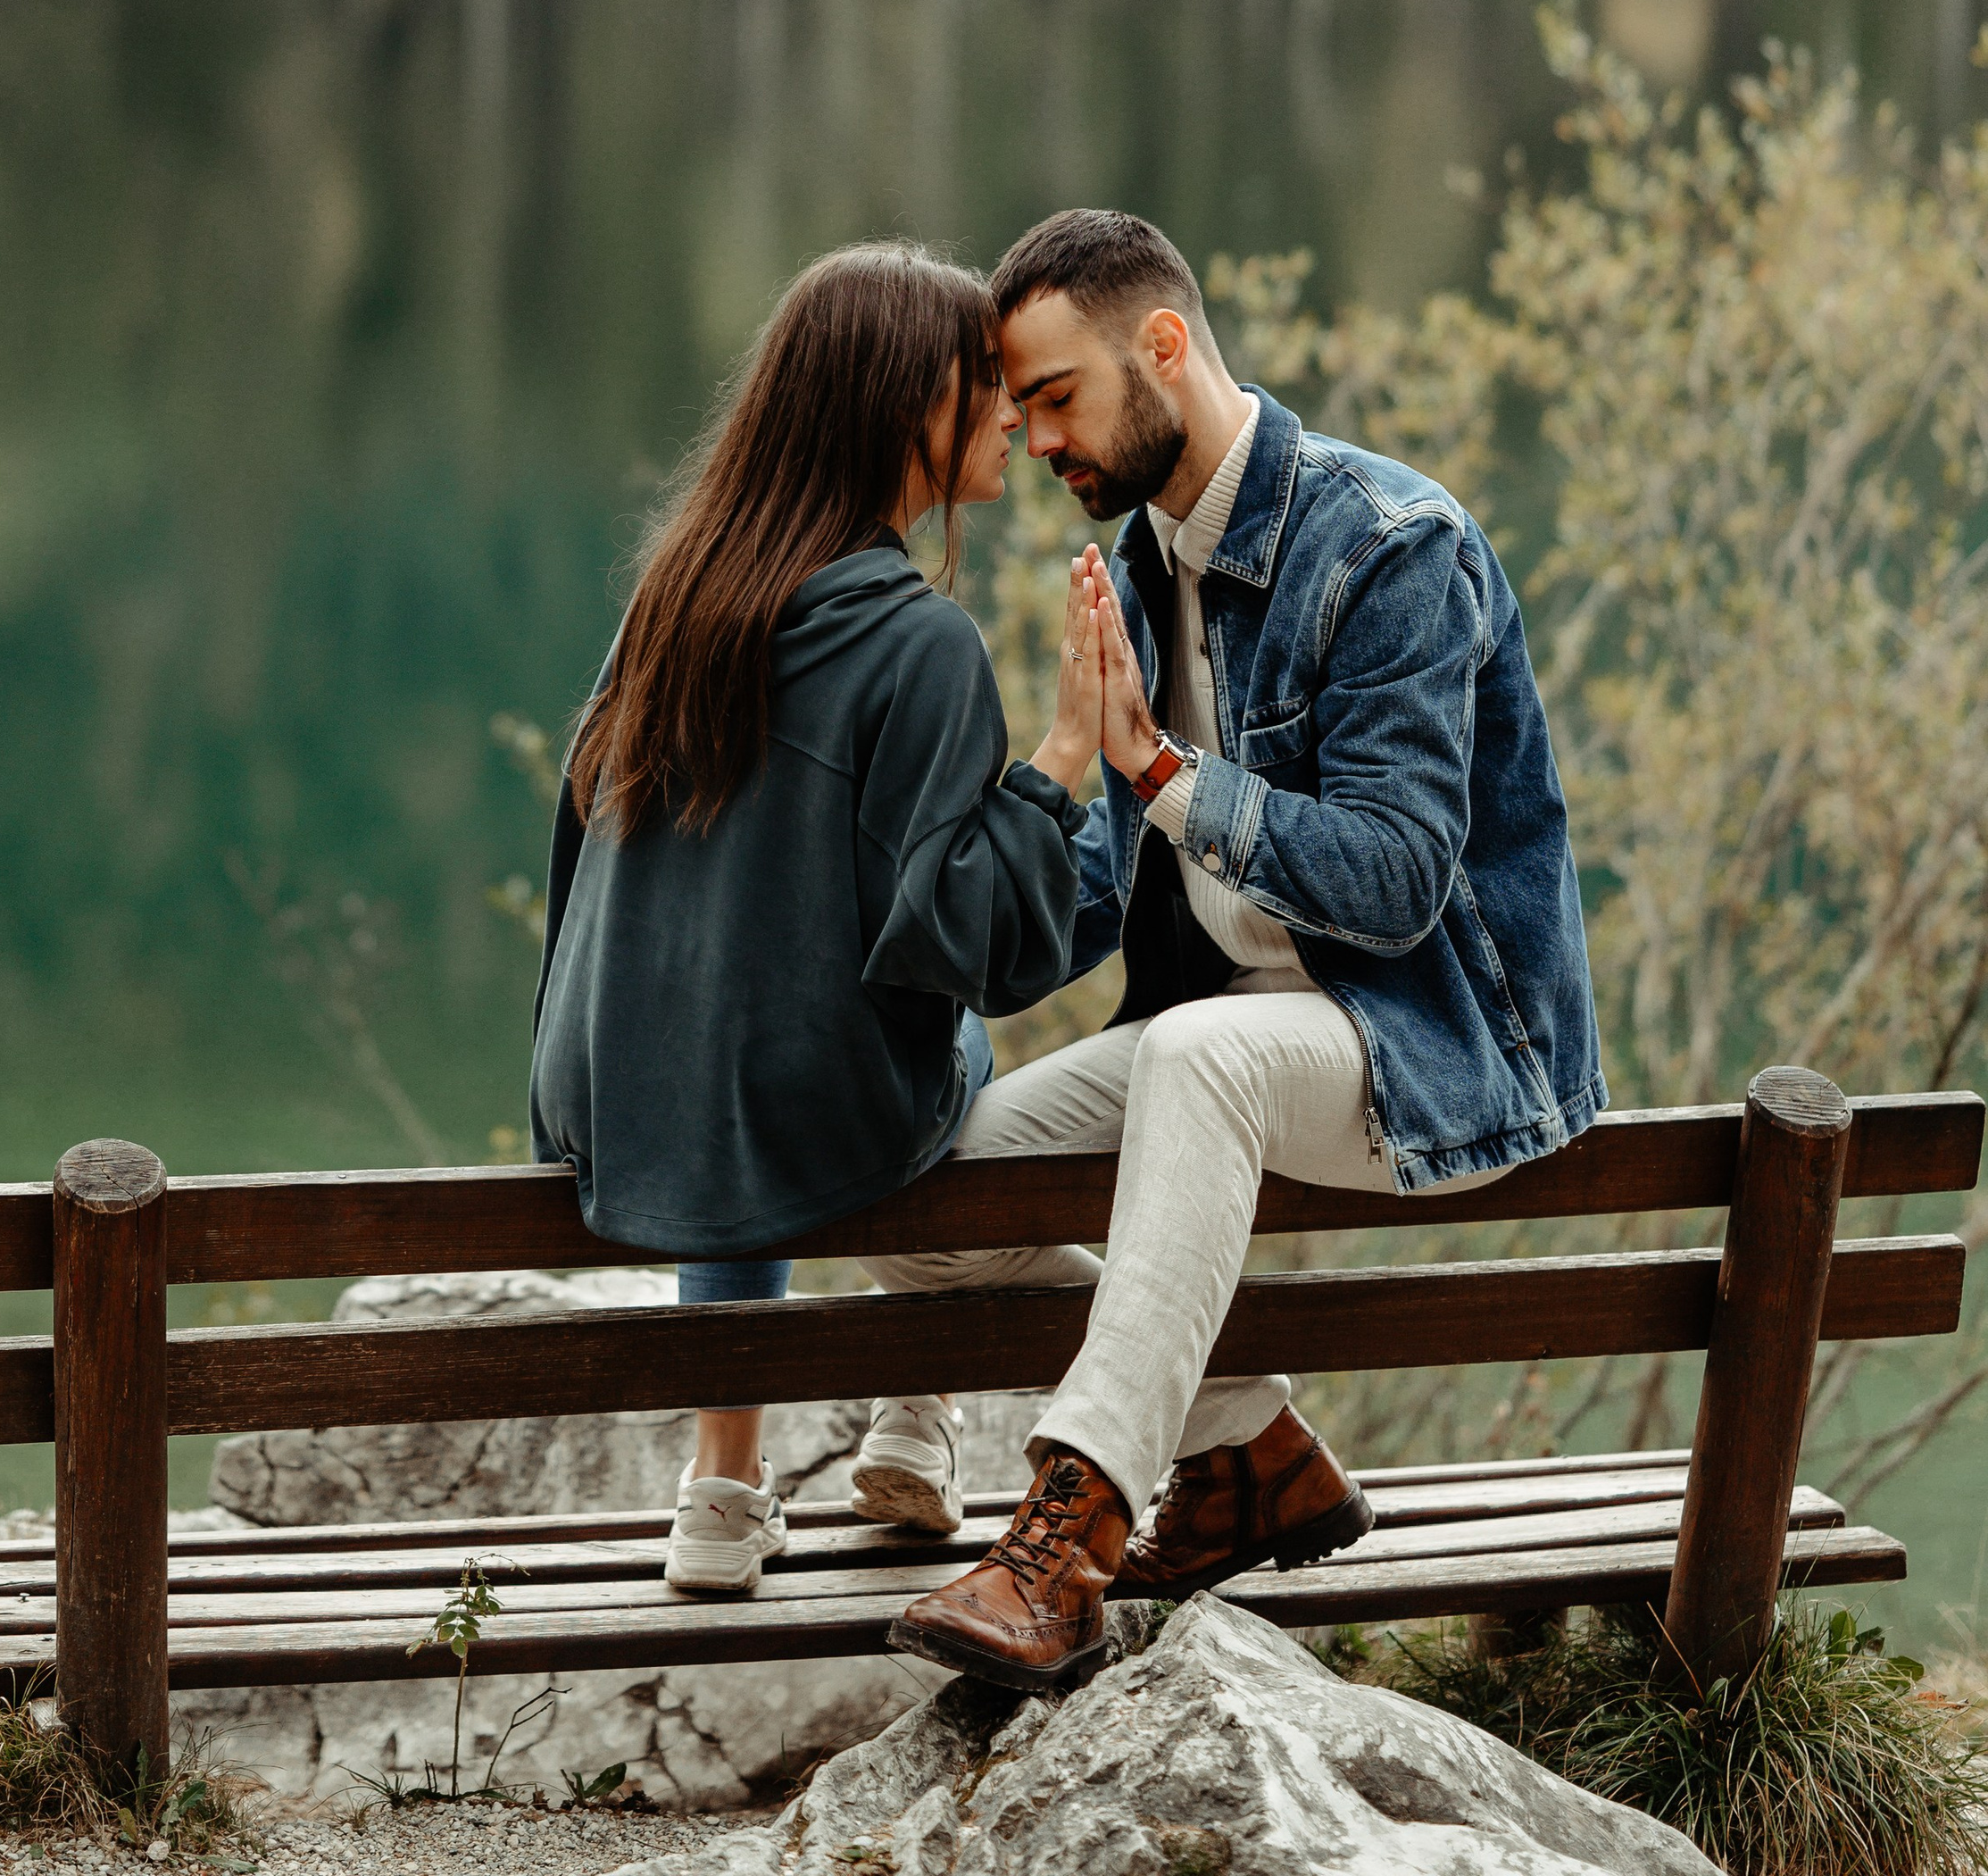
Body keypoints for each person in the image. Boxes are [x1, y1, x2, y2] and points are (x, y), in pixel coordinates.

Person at [879, 208, 1605, 1694]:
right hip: (1242, 1027)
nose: (1034, 444)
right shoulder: (1147, 556)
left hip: (1431, 1033)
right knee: (928, 1189)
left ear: (1165, 347)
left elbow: (1402, 883)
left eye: (1057, 398)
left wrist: (1163, 777)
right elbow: (1105, 875)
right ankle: (1249, 1453)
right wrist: (931, 933)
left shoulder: (1394, 544)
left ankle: (1066, 1543)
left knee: (1203, 1059)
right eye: (1015, 413)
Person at [530, 240, 1107, 1599]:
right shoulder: (921, 645)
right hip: (795, 1112)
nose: (1017, 423)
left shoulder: (672, 600)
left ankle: (721, 1491)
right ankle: (917, 1397)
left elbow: (585, 868)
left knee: (755, 1026)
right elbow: (970, 945)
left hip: (612, 1092)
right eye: (986, 389)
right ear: (904, 403)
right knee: (948, 1050)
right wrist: (1066, 764)